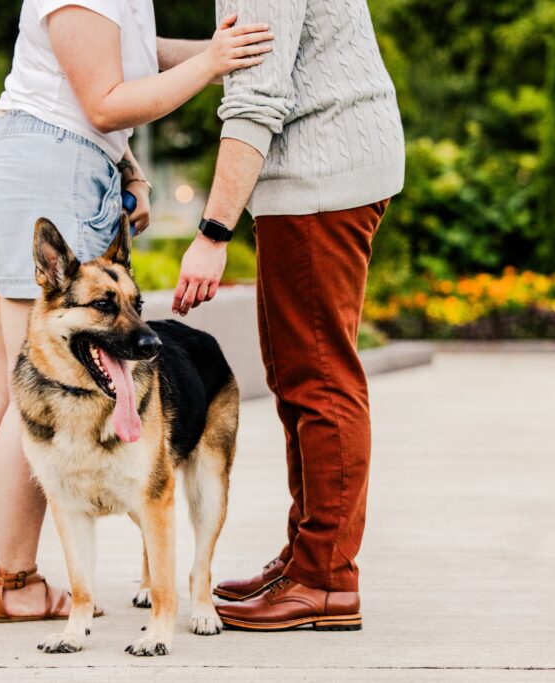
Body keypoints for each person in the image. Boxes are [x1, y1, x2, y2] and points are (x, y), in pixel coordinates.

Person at [0, 1, 274, 621]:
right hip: (47, 170)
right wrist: (210, 62)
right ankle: (17, 584)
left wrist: (131, 163)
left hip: (4, 165)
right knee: (37, 388)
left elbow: (119, 62)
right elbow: (102, 103)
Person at [173, 0, 404, 632]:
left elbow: (255, 98)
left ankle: (326, 579)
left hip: (319, 178)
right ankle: (308, 555)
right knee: (297, 375)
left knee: (320, 378)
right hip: (321, 174)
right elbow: (242, 56)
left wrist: (213, 232)